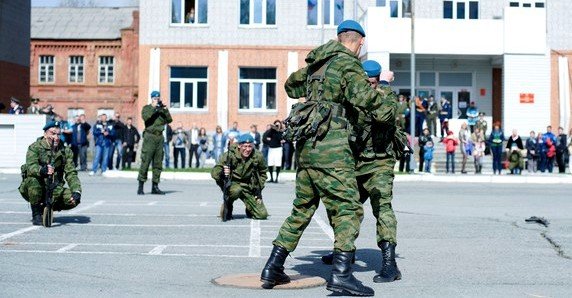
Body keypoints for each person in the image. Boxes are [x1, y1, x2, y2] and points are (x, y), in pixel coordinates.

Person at [260, 20, 394, 296]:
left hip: (307, 149)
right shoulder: (348, 63)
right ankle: (342, 275)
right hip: (332, 149)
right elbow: (364, 98)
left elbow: (290, 86)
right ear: (359, 43)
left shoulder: (318, 62)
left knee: (303, 207)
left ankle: (274, 266)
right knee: (349, 209)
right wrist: (388, 106)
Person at [321, 59, 401, 283]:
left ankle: (389, 264)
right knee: (342, 207)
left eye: (372, 82)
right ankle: (346, 250)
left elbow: (385, 114)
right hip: (354, 162)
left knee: (382, 207)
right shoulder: (352, 94)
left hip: (379, 162)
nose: (367, 85)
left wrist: (384, 84)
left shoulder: (384, 95)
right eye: (363, 81)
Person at [20, 121, 81, 225]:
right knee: (33, 180)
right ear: (45, 134)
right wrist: (41, 170)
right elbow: (31, 166)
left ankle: (47, 206)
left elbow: (71, 172)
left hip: (54, 186)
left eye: (58, 134)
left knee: (73, 200)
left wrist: (77, 190)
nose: (56, 137)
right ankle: (36, 213)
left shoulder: (66, 151)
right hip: (35, 185)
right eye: (52, 133)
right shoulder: (35, 147)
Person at [211, 134, 268, 220]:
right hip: (233, 185)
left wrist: (258, 189)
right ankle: (228, 205)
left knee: (262, 215)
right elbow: (214, 173)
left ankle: (249, 209)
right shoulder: (229, 155)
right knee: (236, 190)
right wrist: (222, 172)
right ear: (239, 146)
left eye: (250, 146)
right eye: (245, 146)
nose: (247, 149)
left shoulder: (257, 156)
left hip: (249, 186)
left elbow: (263, 173)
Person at [137, 91, 173, 195]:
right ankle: (141, 186)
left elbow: (169, 120)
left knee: (158, 163)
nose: (156, 100)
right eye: (155, 98)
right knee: (146, 161)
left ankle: (155, 186)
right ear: (151, 99)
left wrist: (165, 110)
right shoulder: (147, 108)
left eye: (158, 98)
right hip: (149, 137)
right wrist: (154, 108)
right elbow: (146, 117)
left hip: (159, 137)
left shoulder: (161, 109)